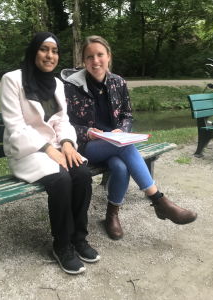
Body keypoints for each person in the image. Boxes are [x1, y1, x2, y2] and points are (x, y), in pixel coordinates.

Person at [62, 35, 197, 240]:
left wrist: (122, 131)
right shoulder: (72, 86)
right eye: (90, 57)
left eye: (100, 55)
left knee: (121, 166)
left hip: (114, 143)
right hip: (87, 146)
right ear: (83, 61)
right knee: (125, 147)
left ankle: (112, 215)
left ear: (108, 56)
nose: (95, 61)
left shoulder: (118, 82)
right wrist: (89, 132)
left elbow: (127, 114)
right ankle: (159, 200)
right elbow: (64, 123)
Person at [0, 32, 100, 275]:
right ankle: (62, 245)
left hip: (54, 148)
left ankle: (78, 238)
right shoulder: (12, 80)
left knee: (82, 174)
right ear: (34, 51)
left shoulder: (56, 84)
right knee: (61, 179)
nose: (50, 55)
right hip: (27, 151)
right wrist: (47, 149)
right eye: (44, 49)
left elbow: (61, 120)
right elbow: (16, 127)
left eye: (54, 51)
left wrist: (65, 143)